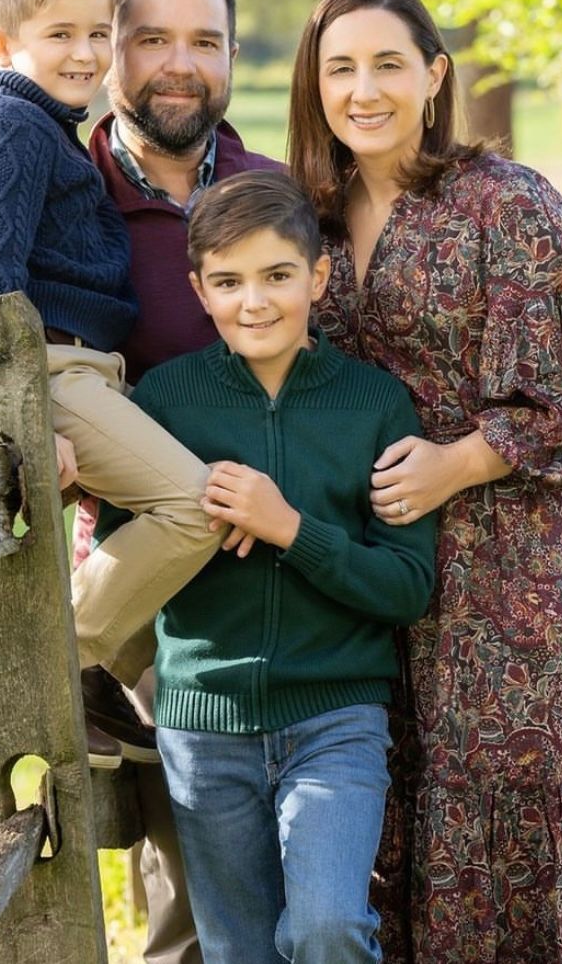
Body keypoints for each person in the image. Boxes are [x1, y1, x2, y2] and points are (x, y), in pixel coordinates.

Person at [287, 0, 562, 964]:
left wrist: (459, 463)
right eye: (339, 67)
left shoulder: (501, 202)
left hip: (520, 568)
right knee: (406, 802)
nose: (363, 89)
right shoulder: (302, 220)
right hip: (376, 576)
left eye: (387, 63)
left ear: (435, 77)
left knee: (539, 790)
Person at [0, 0, 278, 964]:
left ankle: (73, 662)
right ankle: (62, 663)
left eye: (203, 40)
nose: (173, 61)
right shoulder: (54, 157)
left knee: (292, 832)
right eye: (147, 38)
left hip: (277, 560)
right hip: (142, 559)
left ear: (235, 53)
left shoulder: (271, 193)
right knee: (185, 835)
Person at [95, 170, 437, 964]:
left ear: (317, 276)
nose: (255, 302)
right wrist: (194, 532)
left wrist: (289, 528)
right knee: (239, 952)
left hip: (335, 720)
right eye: (228, 281)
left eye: (278, 276)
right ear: (198, 290)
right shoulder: (166, 404)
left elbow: (406, 588)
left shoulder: (374, 404)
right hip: (202, 730)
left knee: (326, 927)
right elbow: (121, 564)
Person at [0, 0, 224, 712]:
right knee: (192, 509)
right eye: (60, 36)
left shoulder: (41, 127)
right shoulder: (12, 133)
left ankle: (108, 699)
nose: (84, 54)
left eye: (98, 33)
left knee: (149, 638)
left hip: (81, 374)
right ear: (2, 44)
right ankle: (47, 666)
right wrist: (22, 423)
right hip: (50, 373)